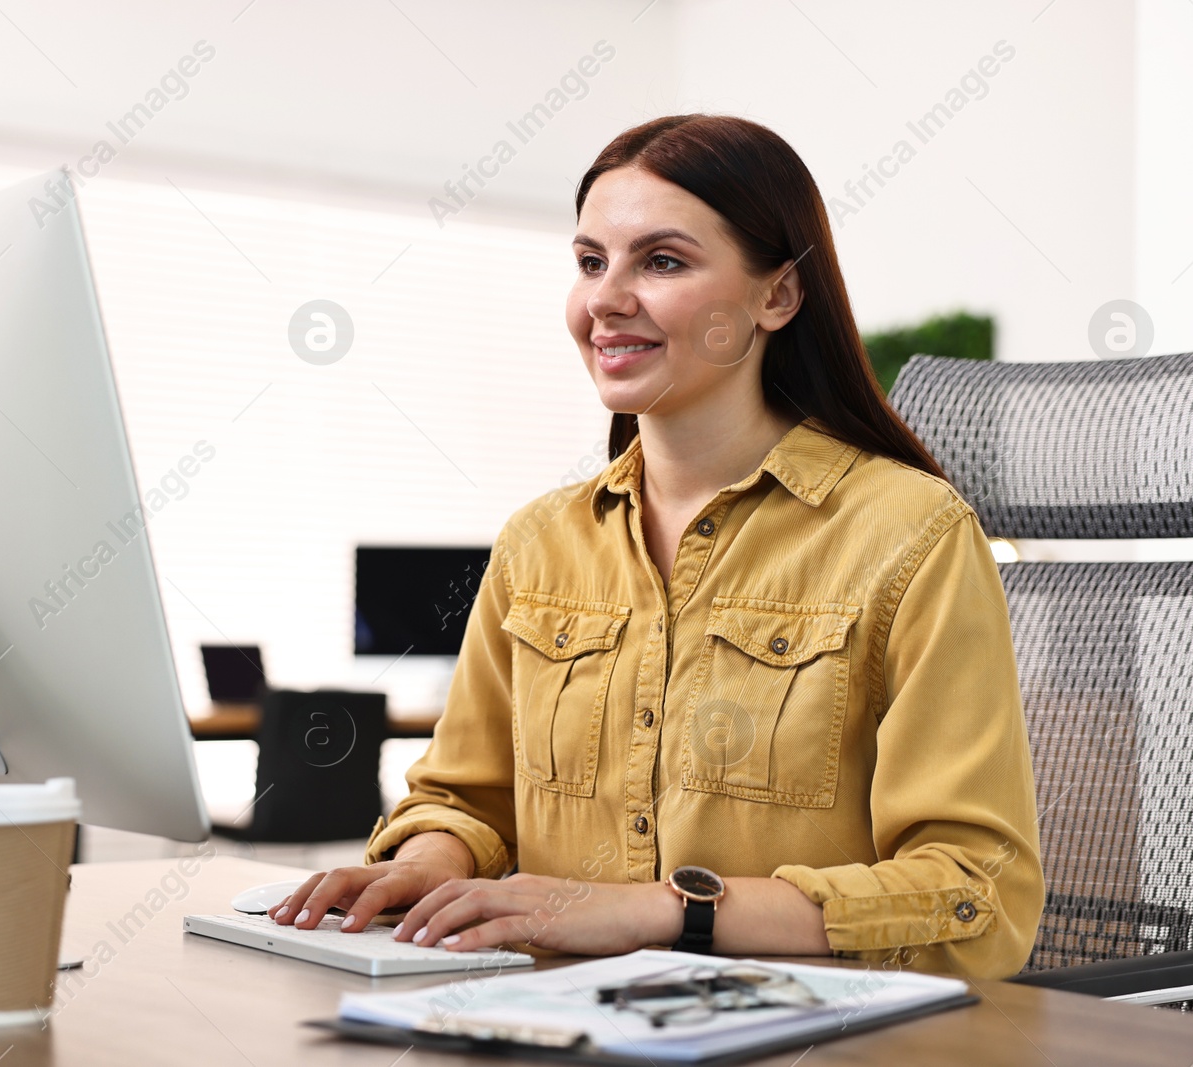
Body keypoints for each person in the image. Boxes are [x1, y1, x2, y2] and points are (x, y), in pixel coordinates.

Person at [274, 114, 1044, 978]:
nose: (605, 298)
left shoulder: (911, 535)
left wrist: (661, 912)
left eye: (663, 261)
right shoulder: (540, 542)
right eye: (591, 261)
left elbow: (976, 895)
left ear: (777, 296)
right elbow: (464, 798)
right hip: (551, 1020)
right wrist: (427, 867)